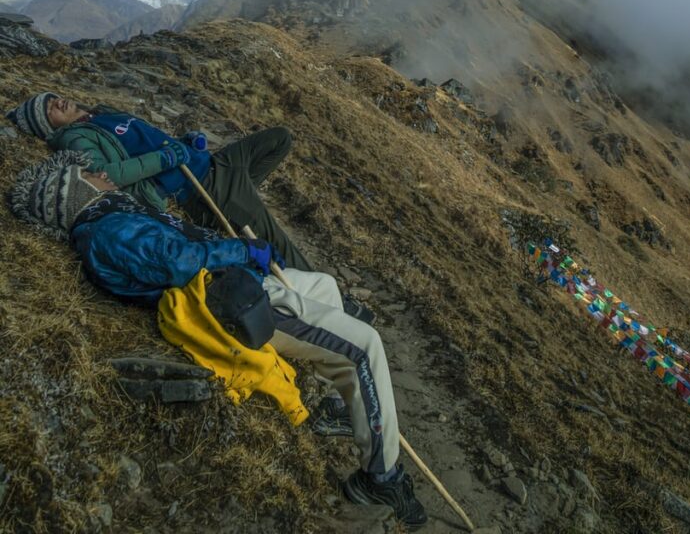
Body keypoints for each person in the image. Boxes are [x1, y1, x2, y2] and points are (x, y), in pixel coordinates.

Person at [10, 151, 427, 528]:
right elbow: (182, 263)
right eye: (88, 173)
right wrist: (244, 252)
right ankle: (380, 477)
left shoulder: (114, 218)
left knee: (324, 287)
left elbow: (178, 246)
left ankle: (338, 405)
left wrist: (246, 254)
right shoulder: (109, 229)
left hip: (236, 282)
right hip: (228, 303)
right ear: (76, 191)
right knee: (364, 346)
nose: (100, 173)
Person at [6, 90, 311, 271]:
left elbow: (147, 142)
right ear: (47, 127)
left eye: (52, 99)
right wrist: (165, 160)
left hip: (212, 163)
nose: (58, 102)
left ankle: (237, 202)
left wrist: (184, 143)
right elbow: (107, 177)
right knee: (277, 238)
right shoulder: (75, 138)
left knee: (279, 139)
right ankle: (332, 297)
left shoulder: (98, 115)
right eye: (49, 110)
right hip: (199, 185)